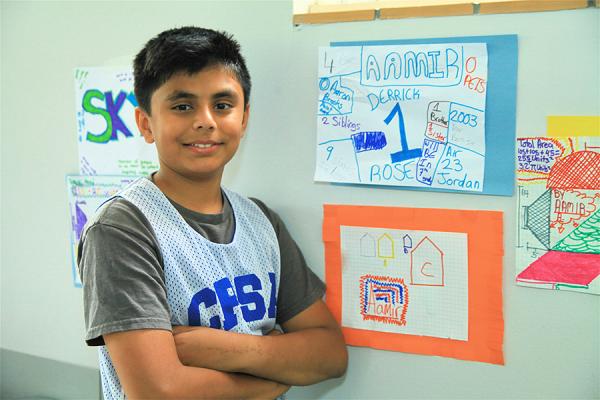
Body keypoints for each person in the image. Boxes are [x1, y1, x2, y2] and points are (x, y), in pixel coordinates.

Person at [78, 26, 348, 400]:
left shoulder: (261, 221)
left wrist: (220, 348)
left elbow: (330, 356)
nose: (205, 120)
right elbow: (159, 391)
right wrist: (276, 374)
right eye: (182, 106)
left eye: (222, 105)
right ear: (145, 123)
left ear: (244, 117)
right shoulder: (123, 229)